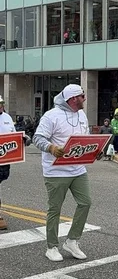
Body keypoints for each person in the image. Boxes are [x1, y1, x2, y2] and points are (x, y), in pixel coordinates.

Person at [33, 84, 91, 262]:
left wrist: (96, 149)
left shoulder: (82, 115)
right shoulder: (51, 116)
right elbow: (37, 138)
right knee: (55, 209)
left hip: (78, 168)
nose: (84, 98)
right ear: (73, 99)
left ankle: (72, 240)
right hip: (56, 170)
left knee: (85, 203)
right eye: (82, 96)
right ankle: (51, 246)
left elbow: (86, 138)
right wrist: (51, 147)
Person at [0, 96, 21, 230]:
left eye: (1, 104)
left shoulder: (7, 117)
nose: (0, 106)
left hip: (3, 159)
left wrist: (23, 139)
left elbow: (14, 135)